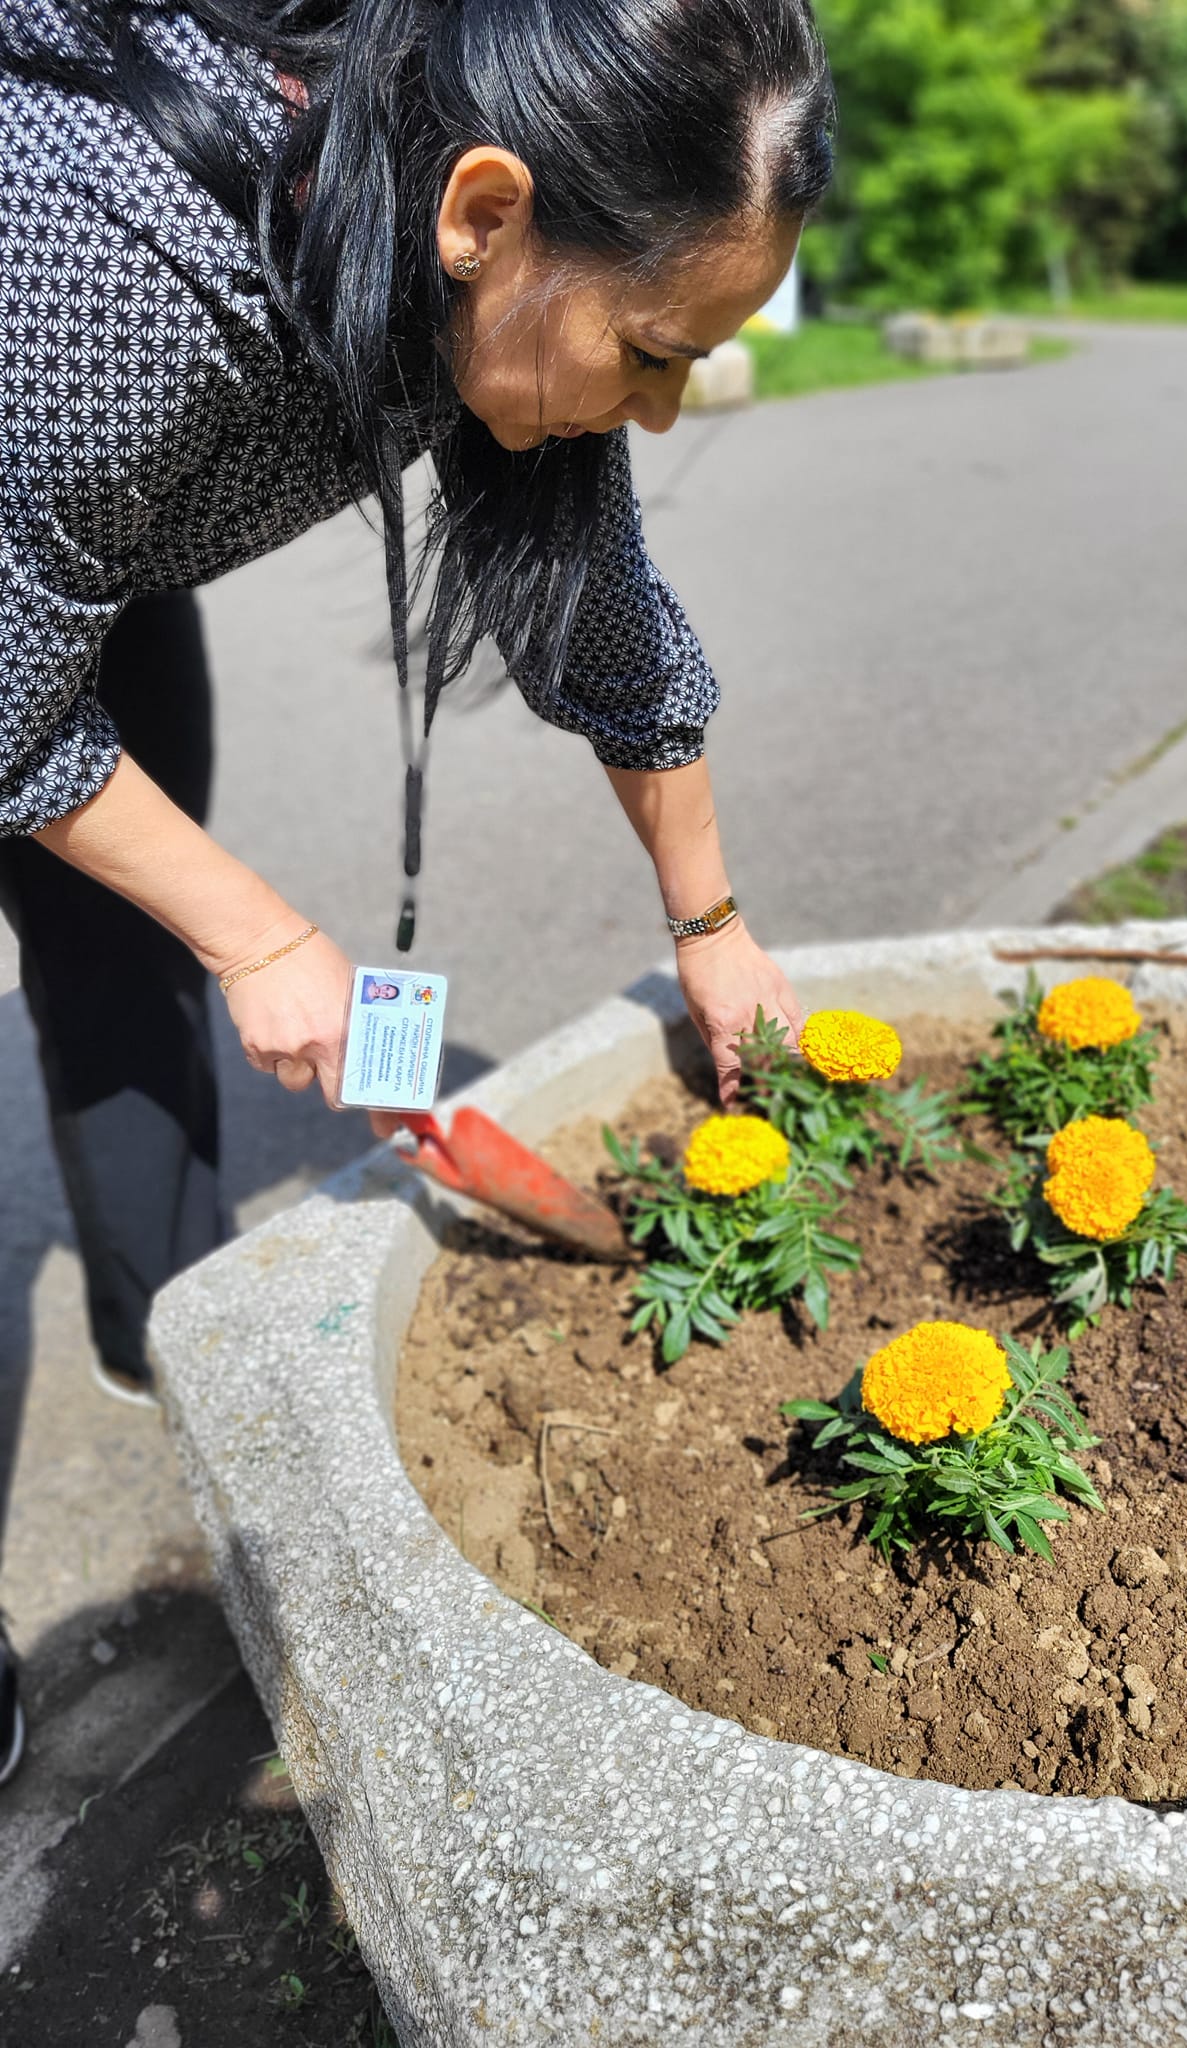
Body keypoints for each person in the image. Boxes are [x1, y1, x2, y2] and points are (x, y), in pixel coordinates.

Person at [0, 0, 834, 1781]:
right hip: (28, 517)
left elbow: (602, 615)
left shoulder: (485, 240)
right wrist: (263, 934)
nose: (660, 408)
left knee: (120, 943)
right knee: (180, 900)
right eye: (654, 351)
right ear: (484, 213)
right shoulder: (111, 258)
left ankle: (161, 1325)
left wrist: (710, 927)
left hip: (75, 547)